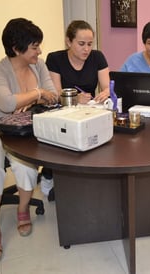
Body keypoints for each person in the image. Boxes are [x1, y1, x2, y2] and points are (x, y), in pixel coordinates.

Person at [0, 18, 58, 262]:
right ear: (17, 48)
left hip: (21, 128)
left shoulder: (38, 66)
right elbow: (7, 103)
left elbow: (54, 95)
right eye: (35, 46)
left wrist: (31, 100)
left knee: (26, 165)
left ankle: (21, 209)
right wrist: (38, 93)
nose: (39, 51)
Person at [41, 20, 110, 197]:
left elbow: (107, 85)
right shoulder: (55, 59)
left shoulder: (97, 57)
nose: (86, 49)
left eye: (89, 44)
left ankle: (87, 177)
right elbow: (55, 93)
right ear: (68, 41)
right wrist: (74, 97)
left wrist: (106, 92)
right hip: (63, 110)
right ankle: (48, 174)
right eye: (81, 44)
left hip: (89, 110)